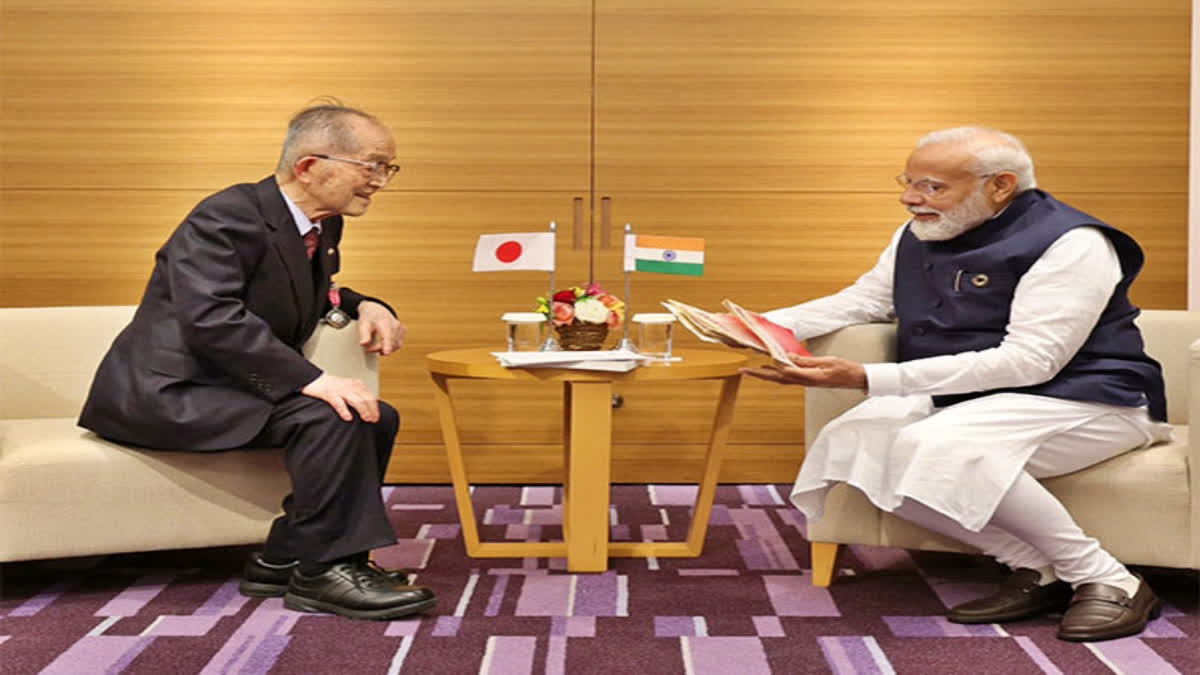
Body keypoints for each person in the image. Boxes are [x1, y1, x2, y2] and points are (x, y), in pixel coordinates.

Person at [743, 126, 1172, 642]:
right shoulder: (920, 232)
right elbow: (862, 301)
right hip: (972, 398)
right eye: (908, 182)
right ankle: (1037, 568)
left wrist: (869, 378)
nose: (910, 198)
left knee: (939, 446)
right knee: (860, 441)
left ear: (1001, 185)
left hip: (1094, 397)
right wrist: (753, 326)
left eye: (932, 186)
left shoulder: (1074, 243)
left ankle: (1111, 580)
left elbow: (1031, 361)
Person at [78, 101, 436, 621]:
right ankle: (324, 572)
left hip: (227, 386)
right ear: (310, 167)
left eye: (387, 169)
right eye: (372, 165)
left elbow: (309, 292)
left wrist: (367, 304)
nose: (380, 181)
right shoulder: (225, 216)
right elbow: (211, 316)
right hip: (170, 392)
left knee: (377, 413)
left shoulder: (320, 225)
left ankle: (286, 557)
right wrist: (312, 380)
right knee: (332, 412)